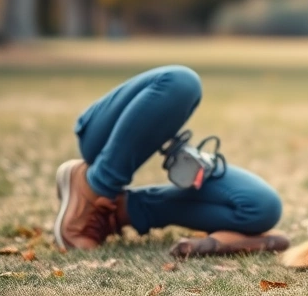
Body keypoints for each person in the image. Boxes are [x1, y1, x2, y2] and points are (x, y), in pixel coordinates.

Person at [53, 64, 290, 258]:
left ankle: (121, 210)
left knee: (263, 207)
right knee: (181, 83)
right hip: (100, 139)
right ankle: (95, 187)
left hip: (149, 148)